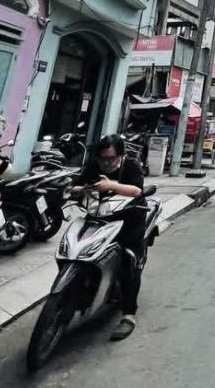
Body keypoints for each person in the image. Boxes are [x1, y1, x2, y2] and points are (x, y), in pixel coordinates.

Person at [75, 134, 146, 341]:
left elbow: (136, 190)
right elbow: (77, 185)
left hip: (129, 220)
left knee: (129, 261)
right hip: (99, 217)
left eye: (111, 158)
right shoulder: (94, 167)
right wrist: (81, 189)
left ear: (120, 156)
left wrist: (112, 185)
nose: (106, 163)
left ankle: (128, 315)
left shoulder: (131, 166)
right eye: (102, 159)